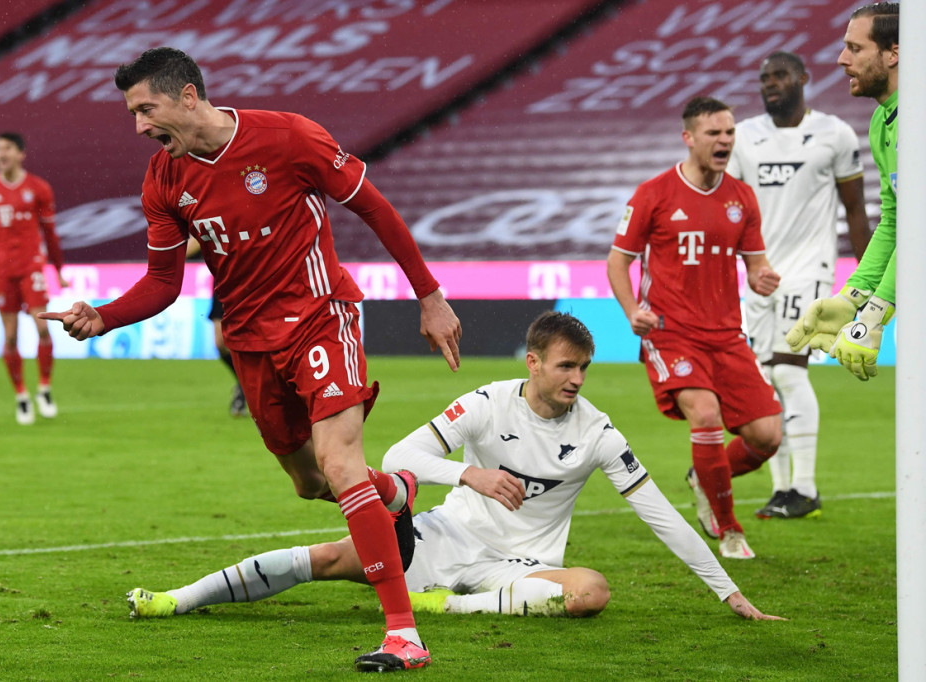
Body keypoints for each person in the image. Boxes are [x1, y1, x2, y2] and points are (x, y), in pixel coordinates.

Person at [40, 47, 461, 673]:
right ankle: (393, 491)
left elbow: (373, 206)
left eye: (146, 109)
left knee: (339, 462)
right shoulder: (164, 179)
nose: (140, 126)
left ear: (187, 96)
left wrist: (429, 296)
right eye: (133, 114)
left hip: (321, 316)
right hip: (249, 341)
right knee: (310, 483)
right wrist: (105, 316)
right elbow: (163, 281)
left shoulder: (289, 137)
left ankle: (404, 634)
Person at [126, 312, 783, 625]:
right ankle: (177, 599)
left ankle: (447, 606)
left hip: (519, 567)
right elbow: (399, 457)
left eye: (584, 368)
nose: (577, 380)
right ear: (533, 363)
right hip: (446, 535)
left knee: (590, 592)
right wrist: (468, 475)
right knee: (326, 559)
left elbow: (660, 514)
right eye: (566, 366)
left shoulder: (597, 432)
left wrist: (726, 591)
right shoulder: (486, 403)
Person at [606, 96, 783, 560]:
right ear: (688, 137)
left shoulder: (742, 197)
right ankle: (729, 530)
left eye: (729, 132)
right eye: (714, 133)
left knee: (767, 436)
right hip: (671, 331)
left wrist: (762, 278)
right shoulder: (653, 194)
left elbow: (756, 265)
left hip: (727, 334)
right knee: (704, 413)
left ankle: (704, 478)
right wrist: (632, 311)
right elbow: (618, 261)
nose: (724, 140)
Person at [726, 51, 871, 520]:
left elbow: (855, 210)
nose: (770, 84)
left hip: (809, 271)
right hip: (758, 275)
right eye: (764, 77)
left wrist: (869, 281)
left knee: (789, 372)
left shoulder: (834, 133)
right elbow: (730, 210)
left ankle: (804, 489)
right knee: (765, 380)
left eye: (780, 75)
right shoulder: (744, 136)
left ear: (803, 79)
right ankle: (782, 489)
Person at [786, 3, 899, 381]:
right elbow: (895, 222)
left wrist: (875, 313)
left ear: (894, 53)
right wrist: (851, 299)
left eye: (855, 48)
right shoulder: (883, 121)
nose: (841, 59)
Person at [0, 132, 69, 425]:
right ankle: (21, 395)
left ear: (21, 154)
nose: (1, 154)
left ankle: (44, 388)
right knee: (10, 336)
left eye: (7, 148)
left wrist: (59, 270)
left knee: (43, 327)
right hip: (2, 271)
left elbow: (50, 233)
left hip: (32, 267)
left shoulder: (38, 188)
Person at [186, 236, 247, 417]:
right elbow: (196, 239)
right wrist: (169, 253)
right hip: (223, 277)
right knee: (220, 343)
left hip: (252, 274)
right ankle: (244, 383)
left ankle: (256, 388)